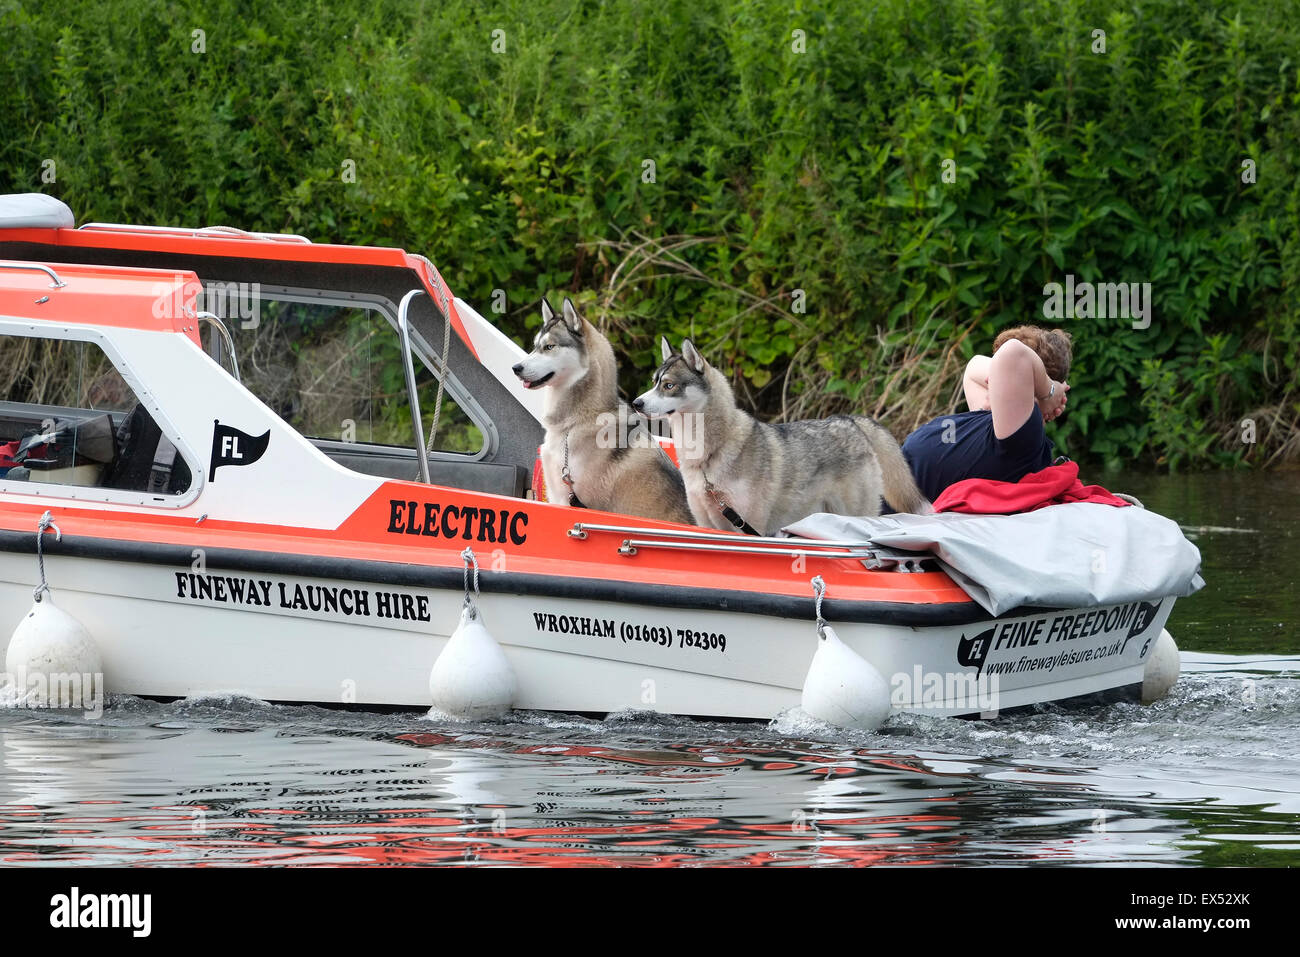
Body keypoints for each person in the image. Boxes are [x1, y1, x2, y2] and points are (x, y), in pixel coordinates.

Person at [901, 325, 1072, 503]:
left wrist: (1050, 391)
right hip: (885, 476)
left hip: (891, 496)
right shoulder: (1000, 421)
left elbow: (1013, 353)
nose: (995, 379)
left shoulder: (1023, 435)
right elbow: (974, 366)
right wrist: (1006, 383)